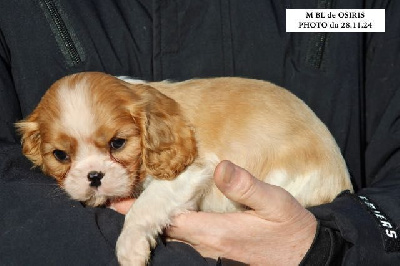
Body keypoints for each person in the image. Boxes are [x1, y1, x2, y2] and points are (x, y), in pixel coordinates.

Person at [0, 0, 399, 265]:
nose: (90, 172)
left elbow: (186, 173)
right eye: (62, 155)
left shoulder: (364, 13)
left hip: (306, 193)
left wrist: (329, 246)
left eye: (117, 145)